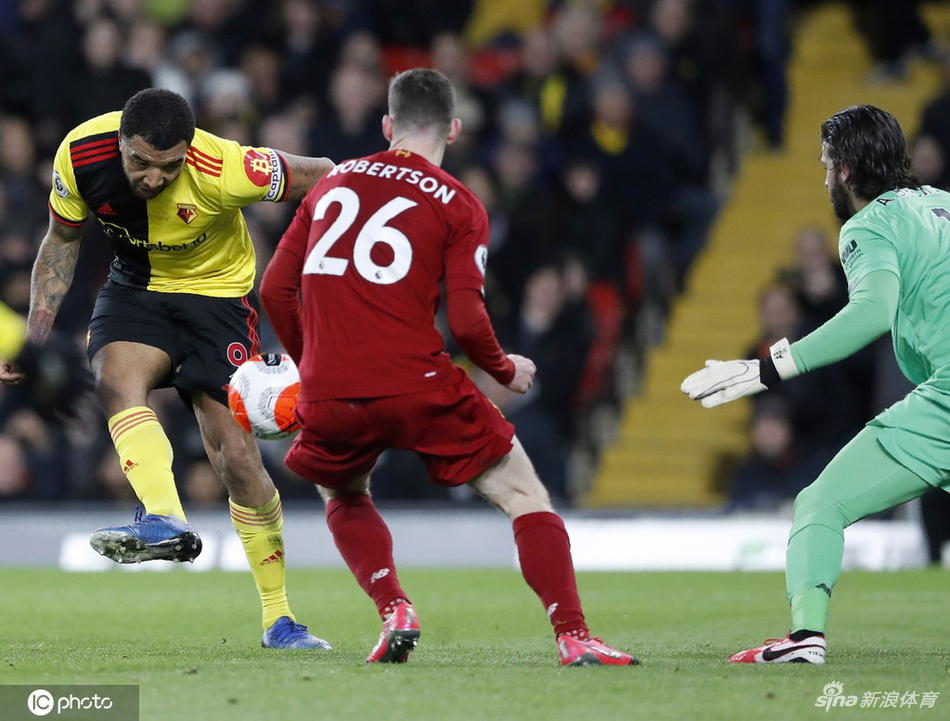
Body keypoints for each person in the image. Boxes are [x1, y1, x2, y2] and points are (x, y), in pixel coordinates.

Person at [260, 67, 637, 667]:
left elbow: (276, 287)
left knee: (342, 490)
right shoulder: (461, 204)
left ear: (387, 125)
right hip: (416, 381)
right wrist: (503, 366)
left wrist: (313, 362)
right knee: (521, 490)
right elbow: (464, 316)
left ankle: (394, 609)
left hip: (330, 390)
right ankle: (573, 634)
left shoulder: (329, 186)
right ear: (454, 130)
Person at [0, 88, 334, 650]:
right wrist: (30, 341)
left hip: (219, 302)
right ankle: (164, 518)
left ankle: (280, 619)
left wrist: (303, 266)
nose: (152, 179)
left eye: (168, 167)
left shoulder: (229, 166)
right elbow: (61, 242)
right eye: (139, 163)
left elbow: (326, 175)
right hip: (136, 291)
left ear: (189, 151)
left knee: (238, 460)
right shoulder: (79, 154)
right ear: (121, 142)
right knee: (113, 380)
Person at [682, 104, 950, 664]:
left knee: (821, 503)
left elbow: (873, 311)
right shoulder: (943, 205)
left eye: (827, 165)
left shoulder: (869, 224)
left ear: (847, 172)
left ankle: (805, 638)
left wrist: (767, 368)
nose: (825, 177)